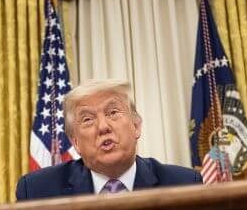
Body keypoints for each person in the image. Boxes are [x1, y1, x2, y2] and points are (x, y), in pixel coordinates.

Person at [15, 79, 201, 200]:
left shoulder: (183, 185)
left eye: (113, 112)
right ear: (76, 143)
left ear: (136, 126)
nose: (103, 127)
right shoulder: (37, 192)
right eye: (87, 119)